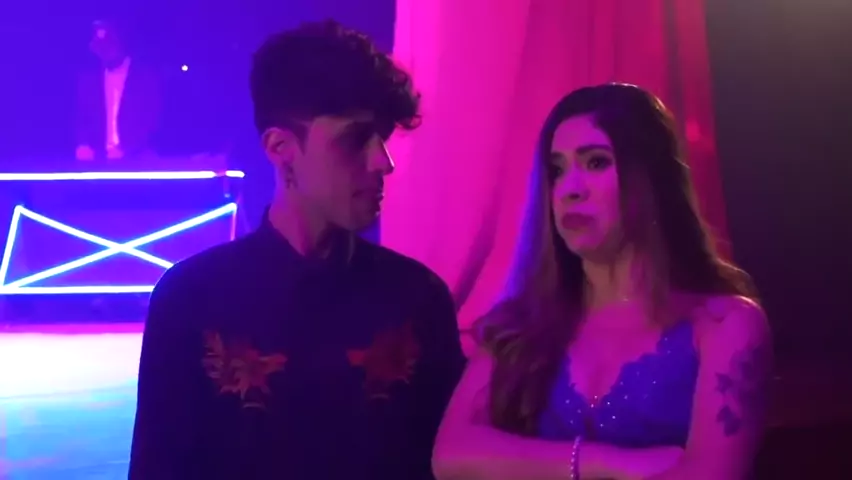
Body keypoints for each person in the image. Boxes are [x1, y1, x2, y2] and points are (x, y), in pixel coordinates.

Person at [128, 20, 466, 480]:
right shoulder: (191, 299)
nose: (382, 162)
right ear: (280, 148)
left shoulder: (418, 297)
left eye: (384, 137)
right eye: (355, 139)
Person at [432, 84, 772, 480]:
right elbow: (450, 456)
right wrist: (606, 464)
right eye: (557, 171)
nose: (570, 189)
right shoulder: (520, 324)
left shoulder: (724, 324)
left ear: (652, 177)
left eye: (595, 162)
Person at [75, 19, 161, 161]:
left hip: (138, 159)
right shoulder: (89, 79)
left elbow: (152, 119)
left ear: (120, 43)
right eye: (99, 47)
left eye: (108, 46)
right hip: (99, 159)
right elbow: (83, 116)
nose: (103, 52)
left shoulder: (145, 77)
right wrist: (83, 145)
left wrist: (127, 150)